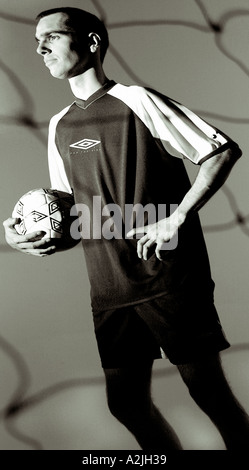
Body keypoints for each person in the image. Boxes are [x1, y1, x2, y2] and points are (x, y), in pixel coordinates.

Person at [3, 7, 249, 450]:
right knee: (126, 404)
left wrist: (177, 216)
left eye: (51, 38)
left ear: (92, 43)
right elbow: (74, 218)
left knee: (208, 392)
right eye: (36, 40)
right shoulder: (59, 126)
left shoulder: (137, 100)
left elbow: (220, 151)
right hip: (109, 289)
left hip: (167, 276)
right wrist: (28, 236)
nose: (39, 48)